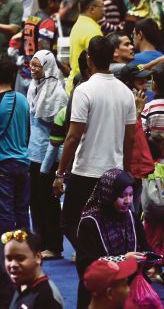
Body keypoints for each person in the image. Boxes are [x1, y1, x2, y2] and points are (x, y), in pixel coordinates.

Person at [55, 35, 137, 247]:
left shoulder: (84, 91)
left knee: (69, 222)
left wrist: (60, 174)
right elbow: (130, 137)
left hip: (86, 171)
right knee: (108, 221)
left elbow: (73, 137)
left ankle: (94, 258)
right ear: (112, 57)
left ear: (89, 59)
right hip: (114, 172)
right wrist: (126, 170)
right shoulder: (126, 93)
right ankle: (104, 259)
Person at [76, 169, 149, 309]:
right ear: (108, 195)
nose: (128, 201)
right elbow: (86, 265)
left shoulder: (132, 217)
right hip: (99, 293)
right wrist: (122, 259)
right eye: (122, 196)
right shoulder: (90, 223)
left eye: (131, 195)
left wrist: (148, 258)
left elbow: (144, 246)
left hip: (126, 289)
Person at [0, 56, 31, 235]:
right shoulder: (23, 100)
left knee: (5, 213)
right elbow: (27, 133)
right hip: (24, 161)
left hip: (2, 163)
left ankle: (7, 254)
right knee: (22, 211)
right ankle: (25, 250)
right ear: (14, 74)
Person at [26, 50, 67, 260]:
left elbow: (59, 129)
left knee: (48, 201)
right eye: (31, 65)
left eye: (36, 66)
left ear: (47, 67)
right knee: (35, 200)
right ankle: (41, 241)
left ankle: (54, 244)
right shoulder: (34, 86)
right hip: (34, 152)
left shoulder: (59, 94)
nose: (32, 69)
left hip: (50, 154)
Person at [2, 229, 64, 309]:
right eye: (9, 259)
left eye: (20, 258)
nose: (13, 265)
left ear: (38, 257)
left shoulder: (46, 297)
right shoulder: (21, 284)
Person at [66, 0, 106, 92]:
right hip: (85, 86)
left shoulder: (80, 23)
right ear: (92, 9)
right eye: (102, 6)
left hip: (75, 83)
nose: (104, 10)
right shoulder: (92, 30)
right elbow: (98, 63)